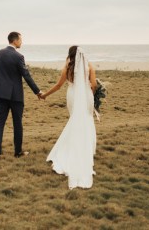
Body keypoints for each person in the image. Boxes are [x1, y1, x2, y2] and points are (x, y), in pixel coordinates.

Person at [42, 45, 97, 189]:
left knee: (74, 120)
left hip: (72, 95)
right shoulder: (89, 66)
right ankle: (86, 149)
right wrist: (90, 94)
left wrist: (45, 95)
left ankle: (73, 147)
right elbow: (94, 84)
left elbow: (59, 85)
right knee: (87, 120)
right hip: (87, 97)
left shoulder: (67, 67)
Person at [0, 32, 43, 162]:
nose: (21, 42)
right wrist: (37, 92)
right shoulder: (18, 56)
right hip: (15, 96)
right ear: (15, 41)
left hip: (0, 94)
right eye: (20, 40)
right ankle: (18, 152)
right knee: (17, 124)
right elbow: (26, 76)